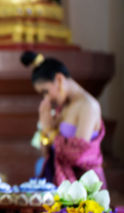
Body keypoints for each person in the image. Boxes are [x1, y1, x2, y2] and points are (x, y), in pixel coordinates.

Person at [21, 51, 106, 187]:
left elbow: (78, 154)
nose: (47, 98)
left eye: (46, 92)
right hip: (62, 183)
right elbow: (48, 151)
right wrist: (44, 127)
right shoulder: (63, 107)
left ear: (59, 79)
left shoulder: (88, 106)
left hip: (85, 186)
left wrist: (49, 130)